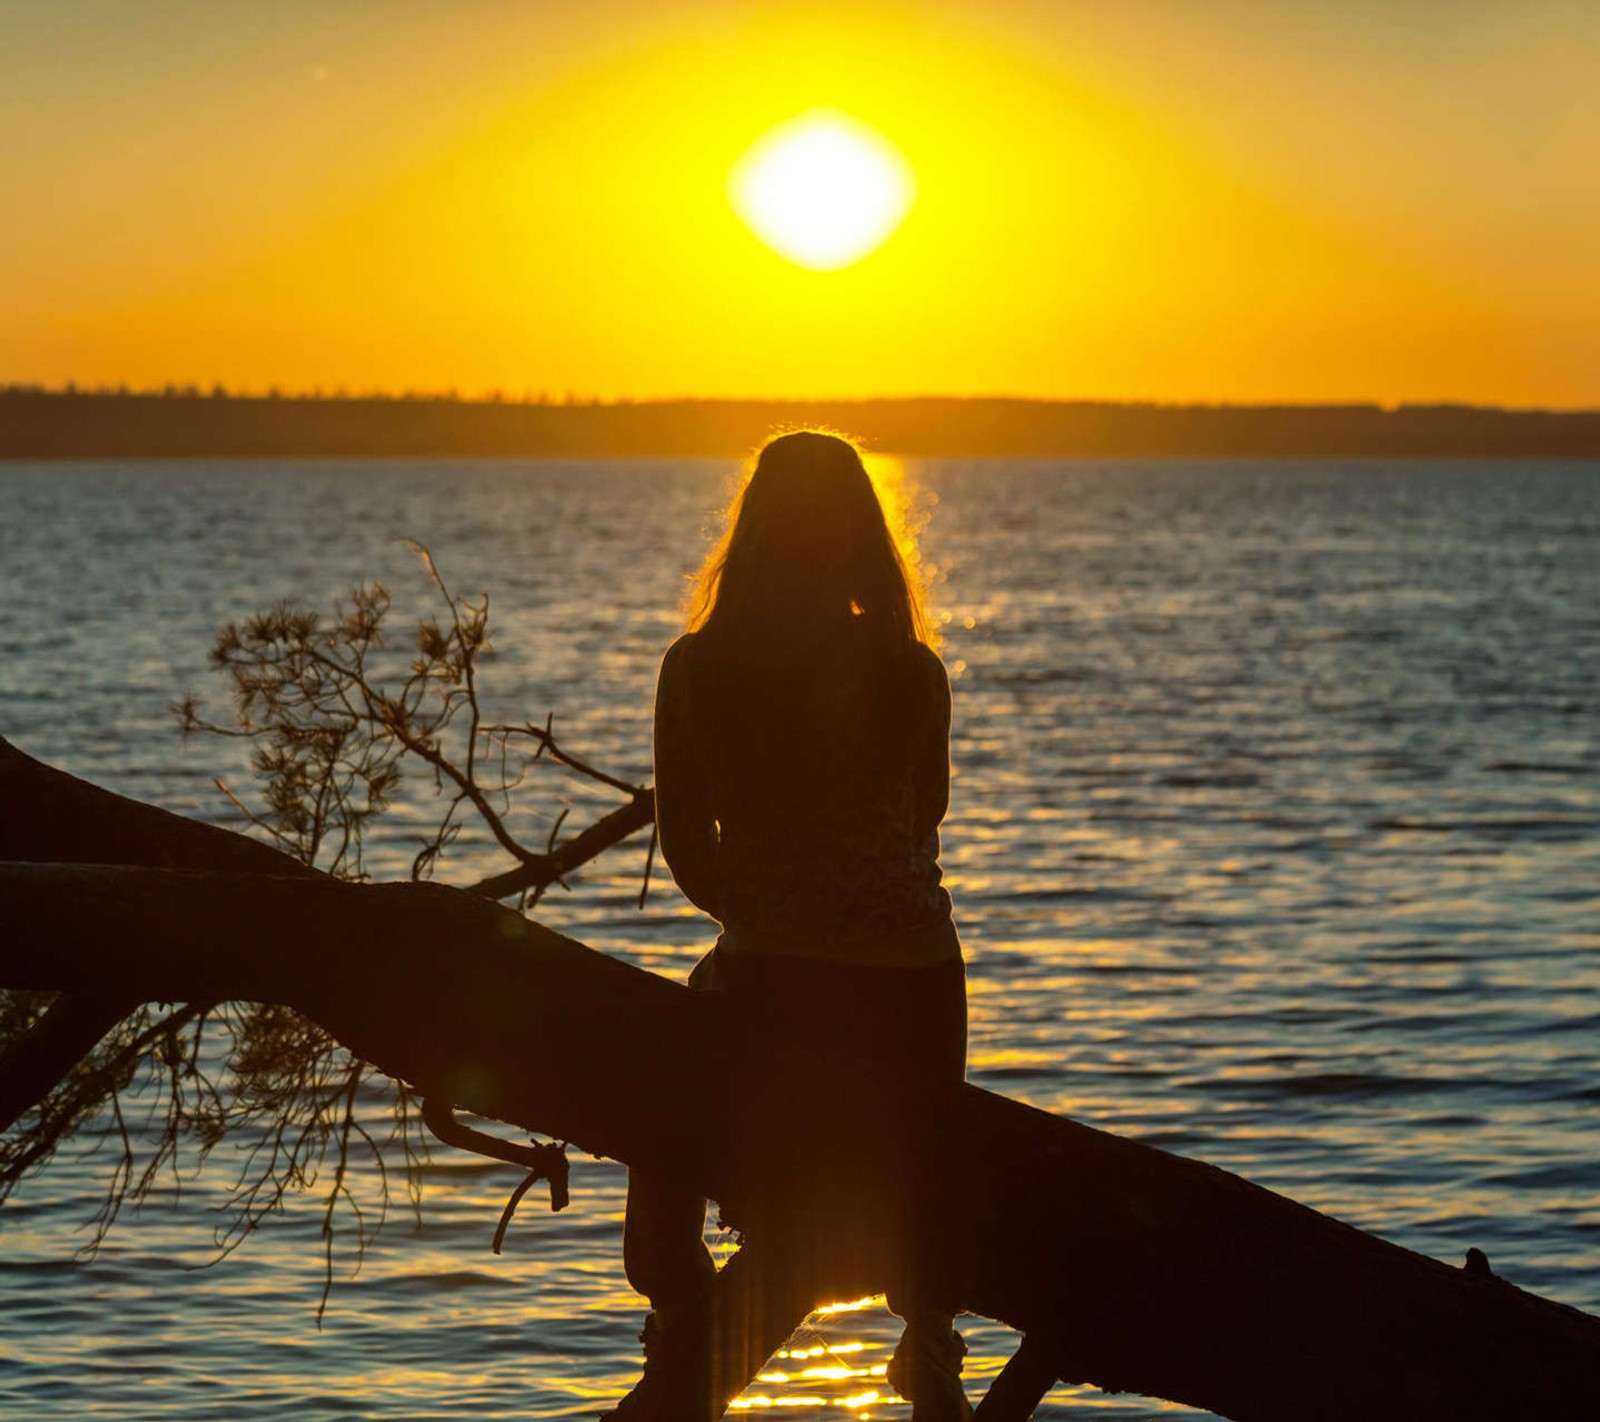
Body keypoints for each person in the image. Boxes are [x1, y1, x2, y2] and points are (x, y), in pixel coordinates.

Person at [611, 430, 970, 1421]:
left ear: (754, 534)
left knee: (668, 1054)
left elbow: (686, 849)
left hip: (778, 974)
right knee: (932, 1156)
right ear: (860, 538)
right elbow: (921, 826)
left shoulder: (698, 669)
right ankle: (930, 1336)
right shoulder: (912, 669)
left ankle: (677, 1297)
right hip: (917, 988)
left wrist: (767, 912)